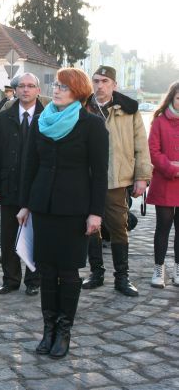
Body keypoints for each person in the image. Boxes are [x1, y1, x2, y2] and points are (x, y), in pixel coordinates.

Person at [17, 68, 108, 359]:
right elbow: (29, 165)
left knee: (68, 272)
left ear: (78, 91)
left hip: (74, 208)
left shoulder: (92, 125)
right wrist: (25, 204)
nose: (56, 90)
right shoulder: (41, 121)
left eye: (64, 87)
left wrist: (96, 213)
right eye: (55, 85)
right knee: (46, 269)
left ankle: (63, 331)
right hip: (43, 206)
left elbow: (99, 174)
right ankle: (47, 330)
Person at [82, 66, 152, 296]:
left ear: (114, 85)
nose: (99, 85)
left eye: (104, 81)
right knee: (91, 227)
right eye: (96, 81)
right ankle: (96, 272)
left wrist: (142, 176)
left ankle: (122, 277)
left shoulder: (129, 110)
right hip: (88, 178)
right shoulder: (83, 107)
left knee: (119, 228)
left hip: (116, 179)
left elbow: (141, 145)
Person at [0, 73, 44, 296]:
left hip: (37, 187)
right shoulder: (4, 117)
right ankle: (10, 279)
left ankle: (33, 280)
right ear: (16, 89)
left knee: (35, 235)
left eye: (31, 86)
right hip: (9, 185)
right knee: (8, 236)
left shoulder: (47, 116)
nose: (26, 90)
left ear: (38, 90)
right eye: (22, 86)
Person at [147, 81, 179, 288]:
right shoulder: (159, 121)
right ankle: (159, 269)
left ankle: (178, 268)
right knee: (163, 228)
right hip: (165, 182)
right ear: (172, 98)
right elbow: (154, 152)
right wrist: (173, 168)